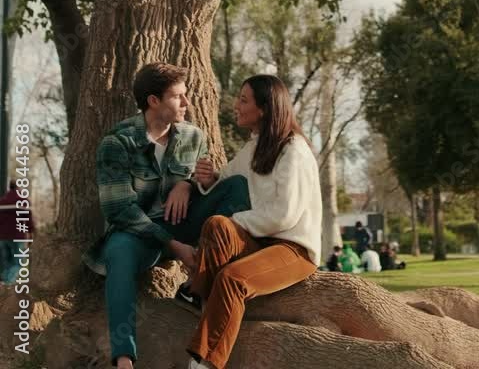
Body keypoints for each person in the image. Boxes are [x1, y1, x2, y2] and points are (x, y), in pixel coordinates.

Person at [83, 62, 252, 369]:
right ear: (153, 101)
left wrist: (191, 185)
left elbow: (205, 183)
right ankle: (124, 358)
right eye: (178, 97)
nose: (187, 103)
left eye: (185, 95)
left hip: (183, 222)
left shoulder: (193, 137)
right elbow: (119, 210)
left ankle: (199, 285)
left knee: (237, 186)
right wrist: (173, 246)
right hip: (137, 233)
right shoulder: (116, 143)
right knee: (118, 253)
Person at [183, 74, 322, 369]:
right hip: (261, 241)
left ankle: (203, 363)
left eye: (244, 100)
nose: (237, 105)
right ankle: (199, 294)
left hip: (293, 250)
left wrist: (238, 220)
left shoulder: (294, 151)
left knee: (232, 278)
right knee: (217, 225)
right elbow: (229, 175)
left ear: (264, 108)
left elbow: (284, 215)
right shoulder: (254, 148)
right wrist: (210, 178)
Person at [0, 180, 34, 284]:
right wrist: (31, 234)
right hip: (17, 236)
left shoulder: (1, 201)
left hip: (1, 237)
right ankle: (7, 283)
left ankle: (4, 284)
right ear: (18, 188)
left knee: (6, 262)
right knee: (18, 262)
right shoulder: (23, 202)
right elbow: (29, 221)